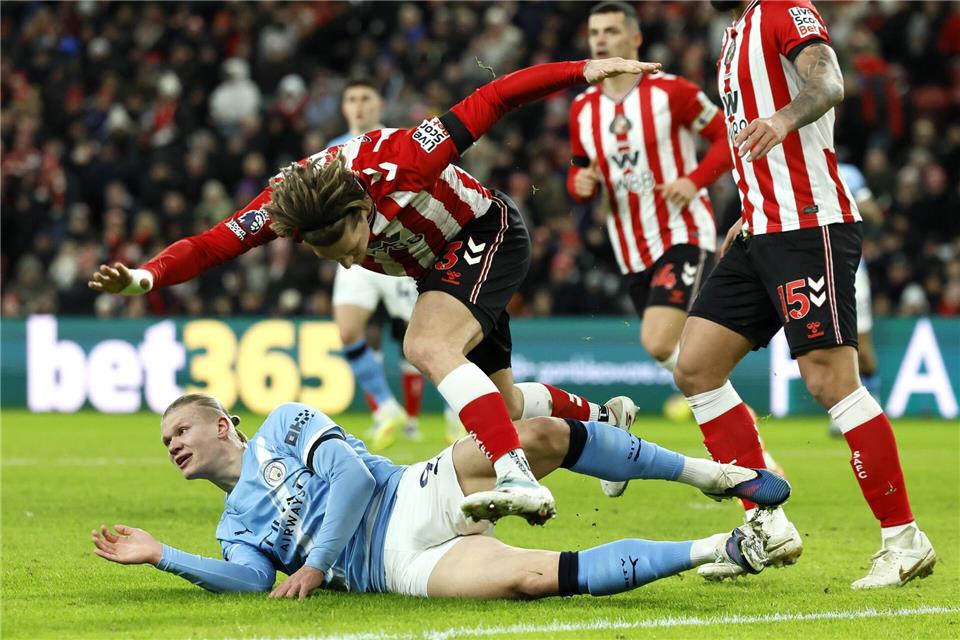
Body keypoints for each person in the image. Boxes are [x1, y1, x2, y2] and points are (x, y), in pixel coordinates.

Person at [88, 57, 662, 526]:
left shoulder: (404, 159)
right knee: (503, 405)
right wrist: (147, 276)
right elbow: (213, 243)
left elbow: (494, 98)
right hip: (437, 268)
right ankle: (604, 422)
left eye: (350, 242)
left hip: (486, 233)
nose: (351, 259)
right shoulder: (287, 206)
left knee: (427, 346)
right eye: (331, 255)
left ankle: (512, 468)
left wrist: (583, 69)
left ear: (363, 207)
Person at [672, 0, 936, 587]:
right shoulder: (734, 32)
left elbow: (829, 79)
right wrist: (749, 210)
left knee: (830, 380)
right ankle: (767, 523)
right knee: (695, 367)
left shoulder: (785, 8)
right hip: (762, 226)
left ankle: (904, 539)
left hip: (807, 224)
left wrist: (786, 119)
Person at [91, 393, 792, 599]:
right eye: (165, 444)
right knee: (530, 577)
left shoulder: (284, 422)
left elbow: (356, 478)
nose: (174, 444)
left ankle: (713, 476)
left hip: (409, 498)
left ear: (221, 425)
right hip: (395, 571)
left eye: (180, 430)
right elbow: (247, 583)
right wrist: (164, 557)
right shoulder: (233, 527)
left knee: (537, 435)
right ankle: (728, 546)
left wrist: (314, 561)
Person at [567, 1, 782, 485]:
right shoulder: (582, 108)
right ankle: (748, 452)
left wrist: (693, 180)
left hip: (683, 233)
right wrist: (578, 184)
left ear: (635, 40)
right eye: (594, 32)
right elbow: (580, 171)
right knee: (687, 358)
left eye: (610, 31)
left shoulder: (674, 94)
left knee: (657, 339)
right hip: (630, 246)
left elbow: (730, 139)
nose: (600, 40)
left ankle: (625, 441)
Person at [325, 79, 430, 450]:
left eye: (365, 99)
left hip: (394, 253)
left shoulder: (394, 141)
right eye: (351, 99)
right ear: (343, 107)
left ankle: (454, 411)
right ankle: (386, 409)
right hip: (353, 257)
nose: (358, 106)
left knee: (423, 340)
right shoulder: (331, 151)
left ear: (379, 104)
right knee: (348, 331)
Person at [829, 162, 882, 437]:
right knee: (828, 346)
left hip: (851, 271)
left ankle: (872, 408)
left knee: (862, 350)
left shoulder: (848, 173)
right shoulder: (791, 168)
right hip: (812, 271)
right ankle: (843, 412)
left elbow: (874, 214)